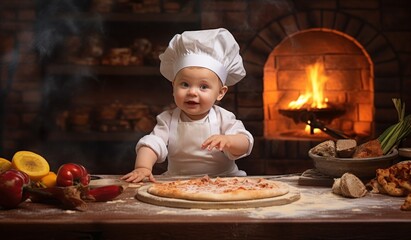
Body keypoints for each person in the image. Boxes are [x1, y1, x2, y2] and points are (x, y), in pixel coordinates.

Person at [121, 28, 254, 183]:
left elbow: (245, 142)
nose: (192, 92)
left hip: (224, 181)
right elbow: (152, 144)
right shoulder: (167, 119)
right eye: (184, 84)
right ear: (173, 87)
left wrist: (229, 141)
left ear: (220, 92)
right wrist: (143, 167)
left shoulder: (223, 117)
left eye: (203, 87)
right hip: (178, 182)